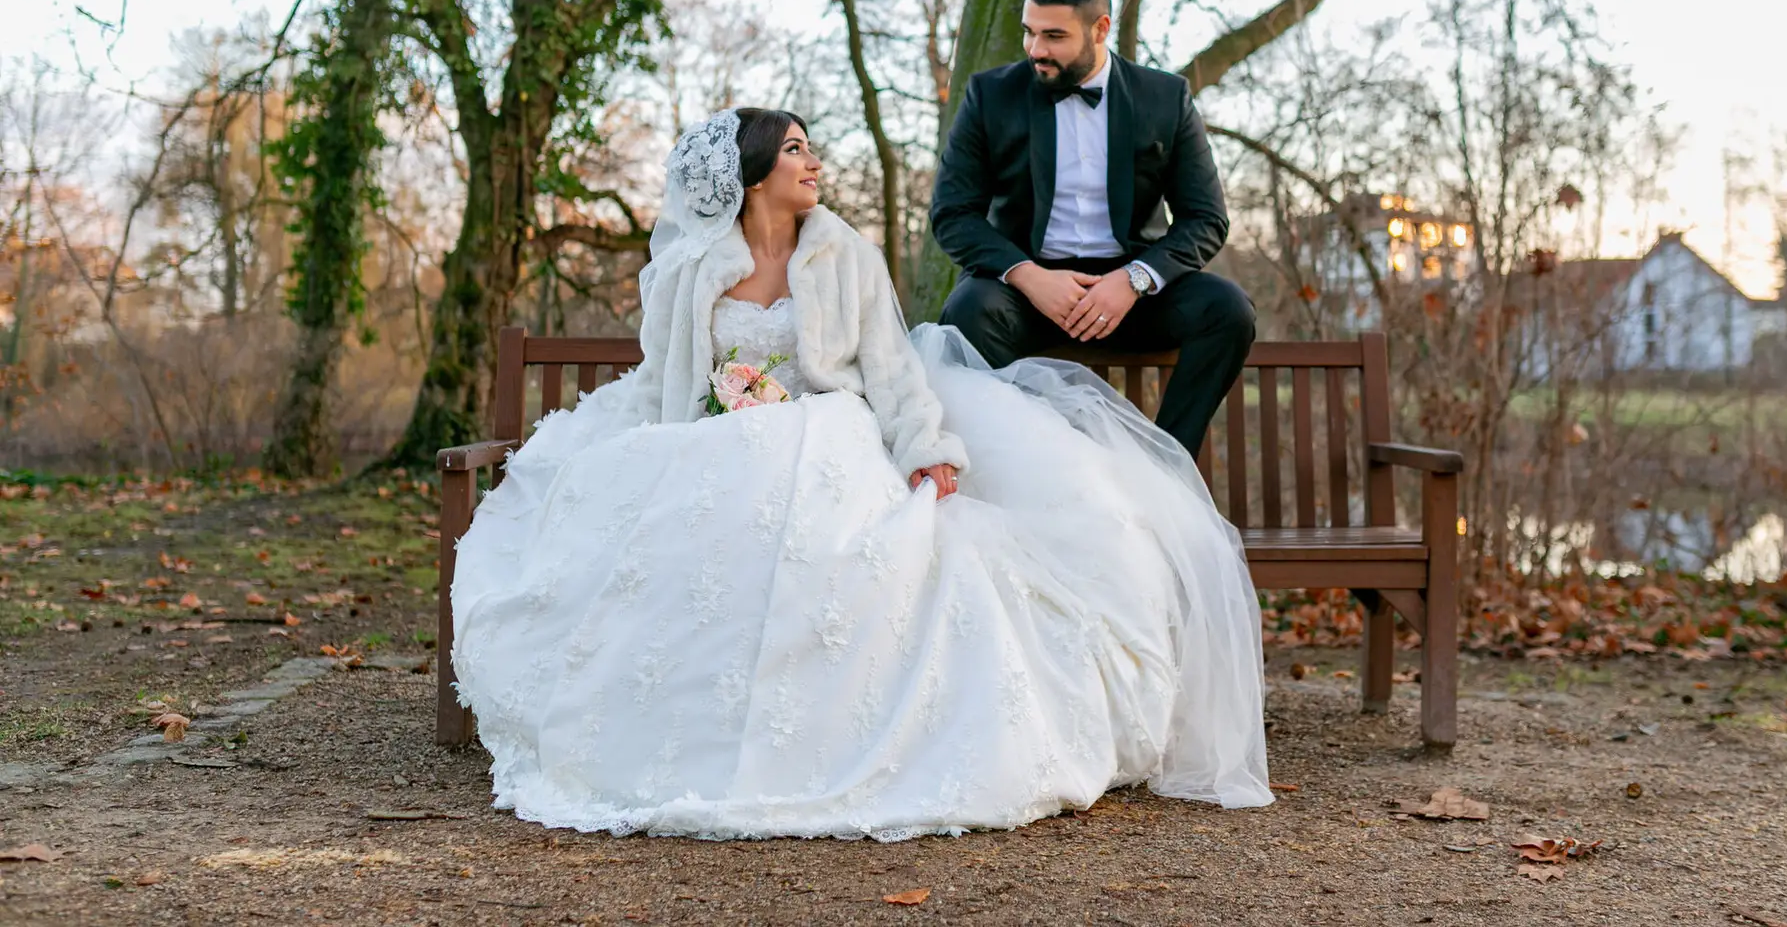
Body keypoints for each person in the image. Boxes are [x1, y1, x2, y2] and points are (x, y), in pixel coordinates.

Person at [450, 107, 1272, 841]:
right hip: (713, 442)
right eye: (797, 151)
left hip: (827, 435)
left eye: (813, 151)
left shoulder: (843, 252)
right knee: (687, 537)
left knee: (854, 548)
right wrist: (678, 449)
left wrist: (926, 449)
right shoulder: (689, 268)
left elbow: (890, 368)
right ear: (753, 172)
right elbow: (668, 382)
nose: (814, 165)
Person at [931, 0, 1255, 457]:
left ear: (1100, 28)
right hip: (1027, 294)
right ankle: (1034, 461)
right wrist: (1028, 275)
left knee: (1227, 310)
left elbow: (1206, 218)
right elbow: (953, 214)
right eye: (1029, 32)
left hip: (1132, 296)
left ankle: (1163, 466)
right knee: (968, 309)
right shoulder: (989, 96)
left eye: (1054, 36)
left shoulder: (1164, 98)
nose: (1036, 50)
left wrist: (1133, 281)